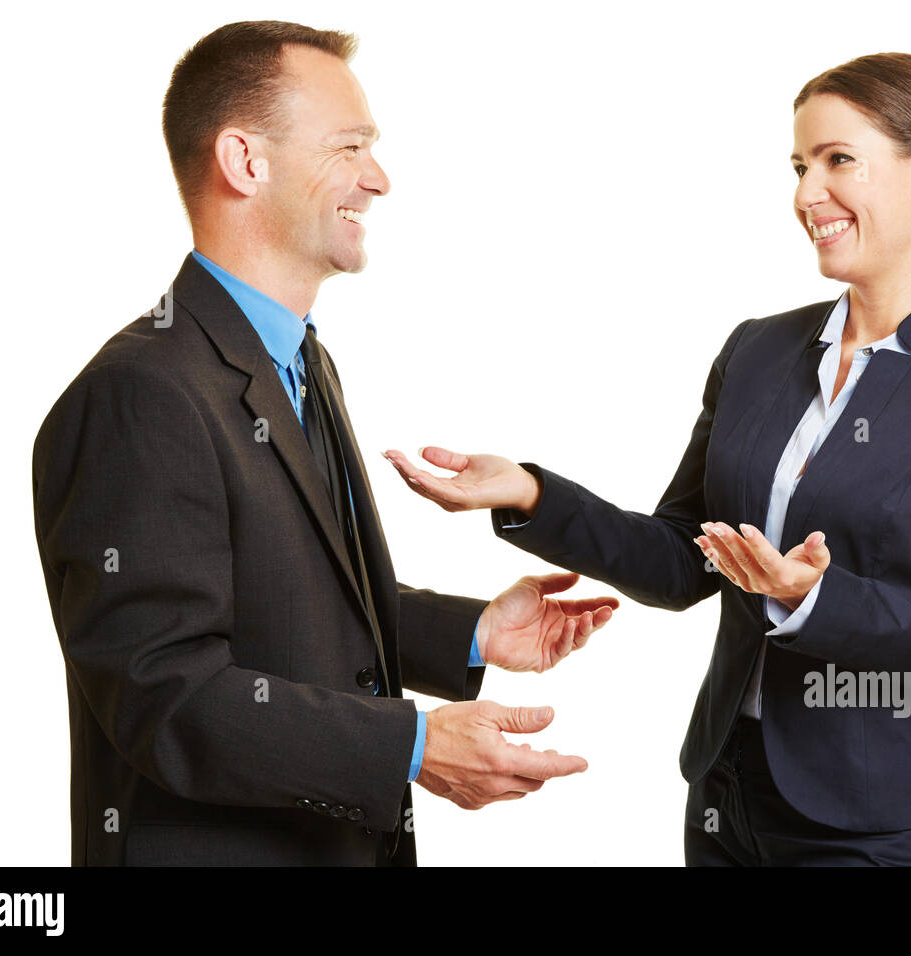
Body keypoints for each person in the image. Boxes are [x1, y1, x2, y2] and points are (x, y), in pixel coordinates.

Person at [384, 52, 911, 866]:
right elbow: (685, 560)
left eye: (837, 160)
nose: (806, 193)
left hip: (883, 830)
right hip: (726, 796)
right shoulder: (760, 350)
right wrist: (534, 496)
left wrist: (815, 600)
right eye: (799, 165)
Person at [31, 20, 619, 867]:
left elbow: (284, 602)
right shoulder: (140, 394)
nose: (377, 178)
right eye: (349, 146)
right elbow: (166, 695)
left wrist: (473, 634)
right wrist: (410, 744)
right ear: (245, 161)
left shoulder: (300, 360)